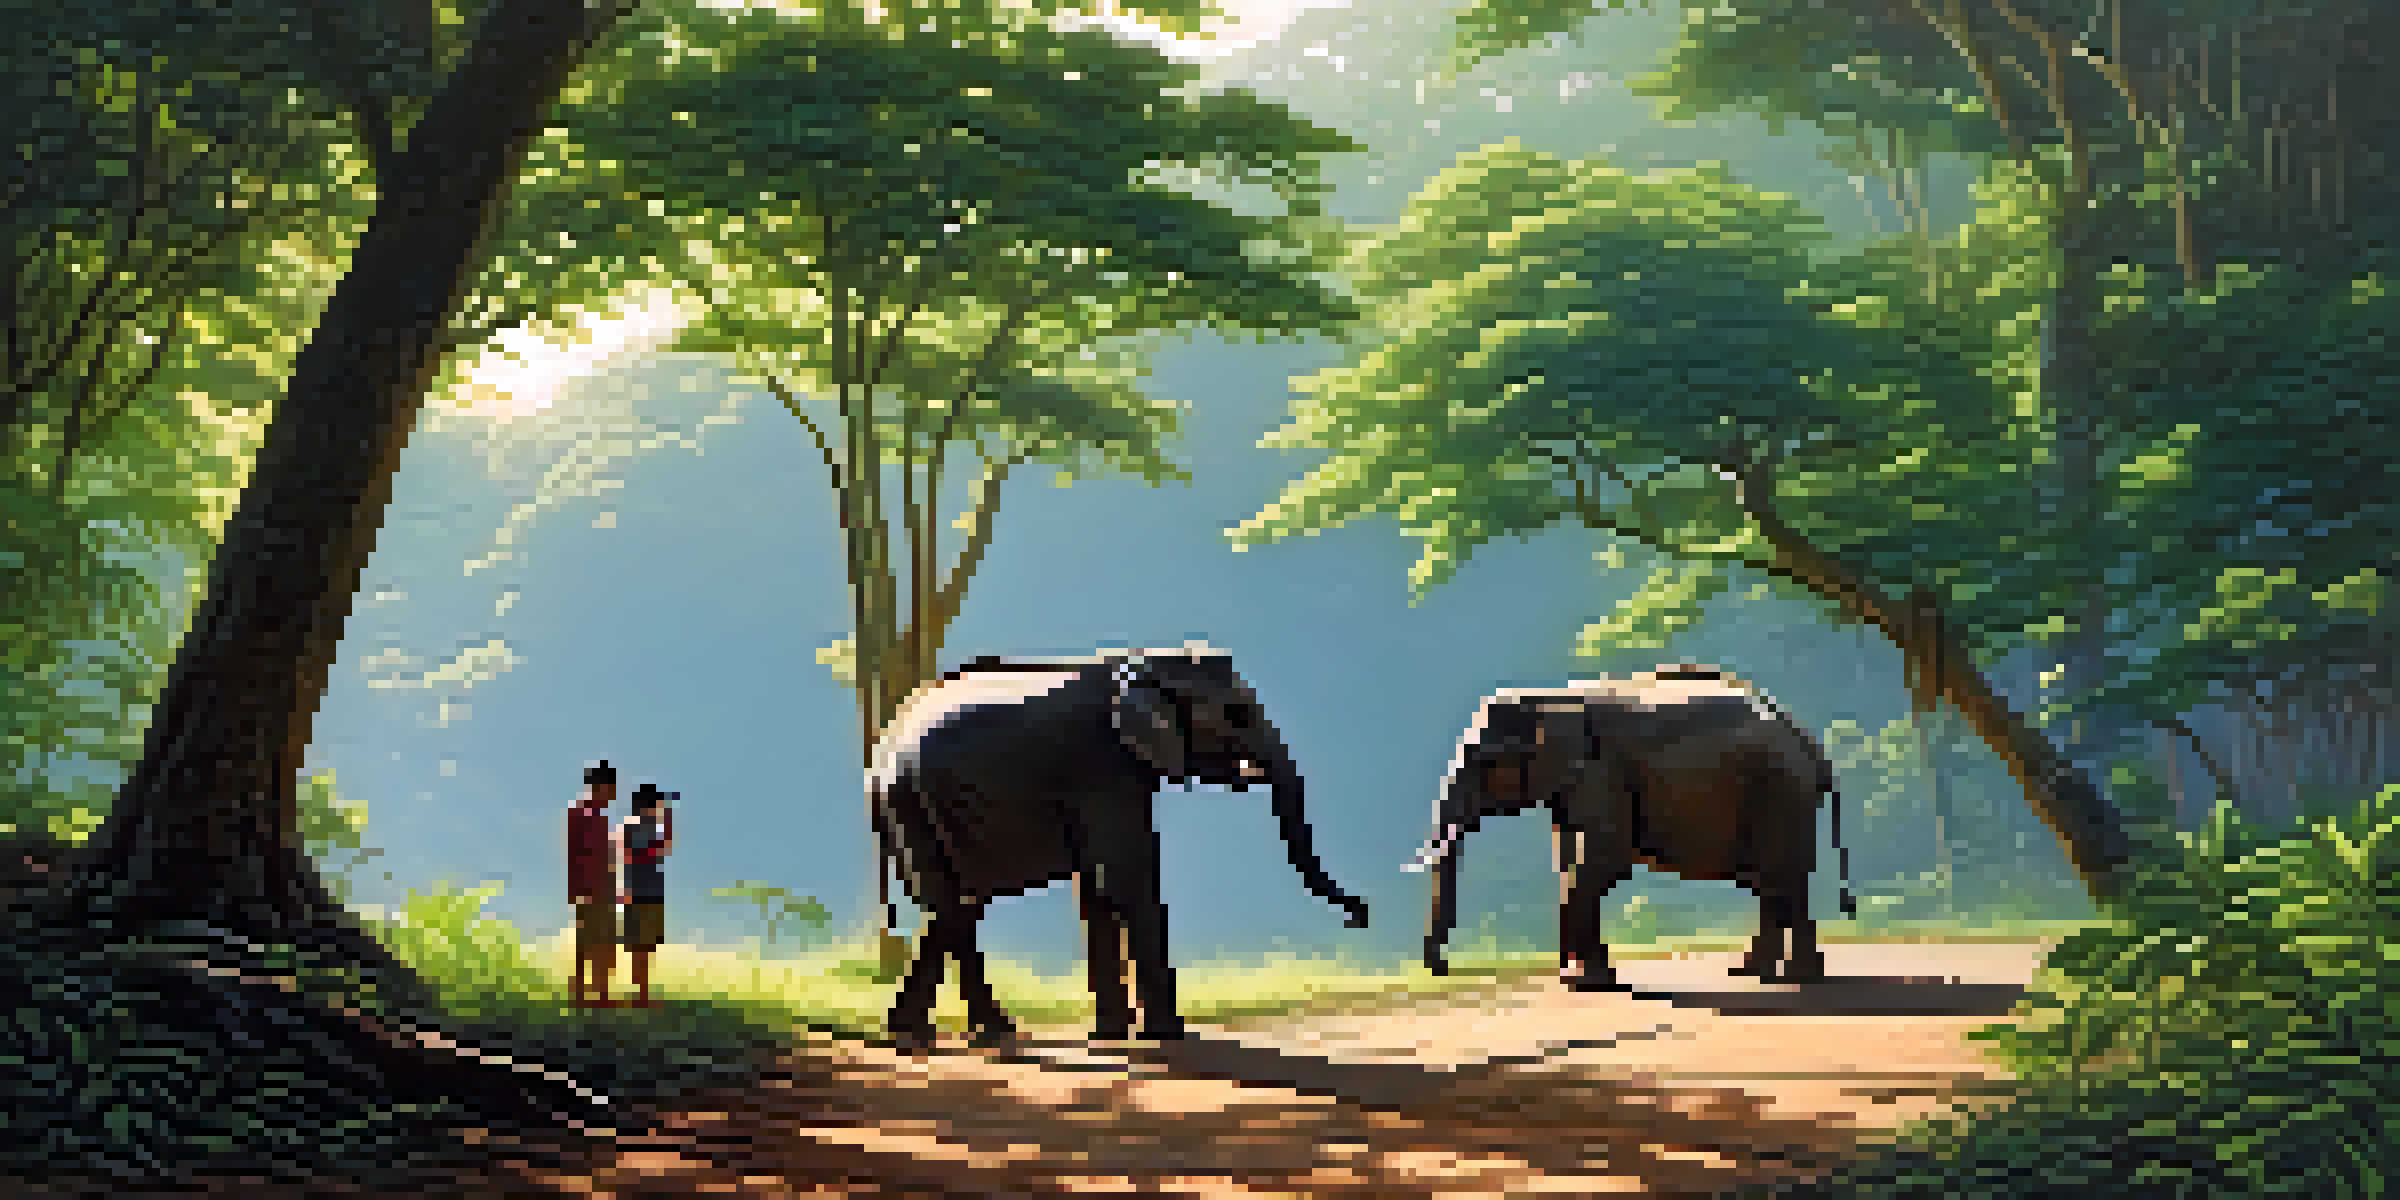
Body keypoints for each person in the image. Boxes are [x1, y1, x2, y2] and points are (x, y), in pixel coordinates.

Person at [567, 760, 622, 1009]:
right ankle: (579, 993)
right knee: (587, 942)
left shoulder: (600, 816)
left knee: (605, 942)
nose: (612, 794)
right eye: (610, 788)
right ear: (598, 786)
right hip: (589, 890)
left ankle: (601, 994)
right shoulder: (580, 812)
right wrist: (577, 890)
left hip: (605, 889)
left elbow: (606, 857)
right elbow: (574, 852)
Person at [619, 782, 675, 1009]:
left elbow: (665, 847)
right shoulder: (635, 827)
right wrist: (629, 892)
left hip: (650, 892)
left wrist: (668, 816)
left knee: (647, 945)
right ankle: (639, 995)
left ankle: (641, 993)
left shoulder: (649, 827)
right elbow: (643, 855)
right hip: (640, 892)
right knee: (640, 946)